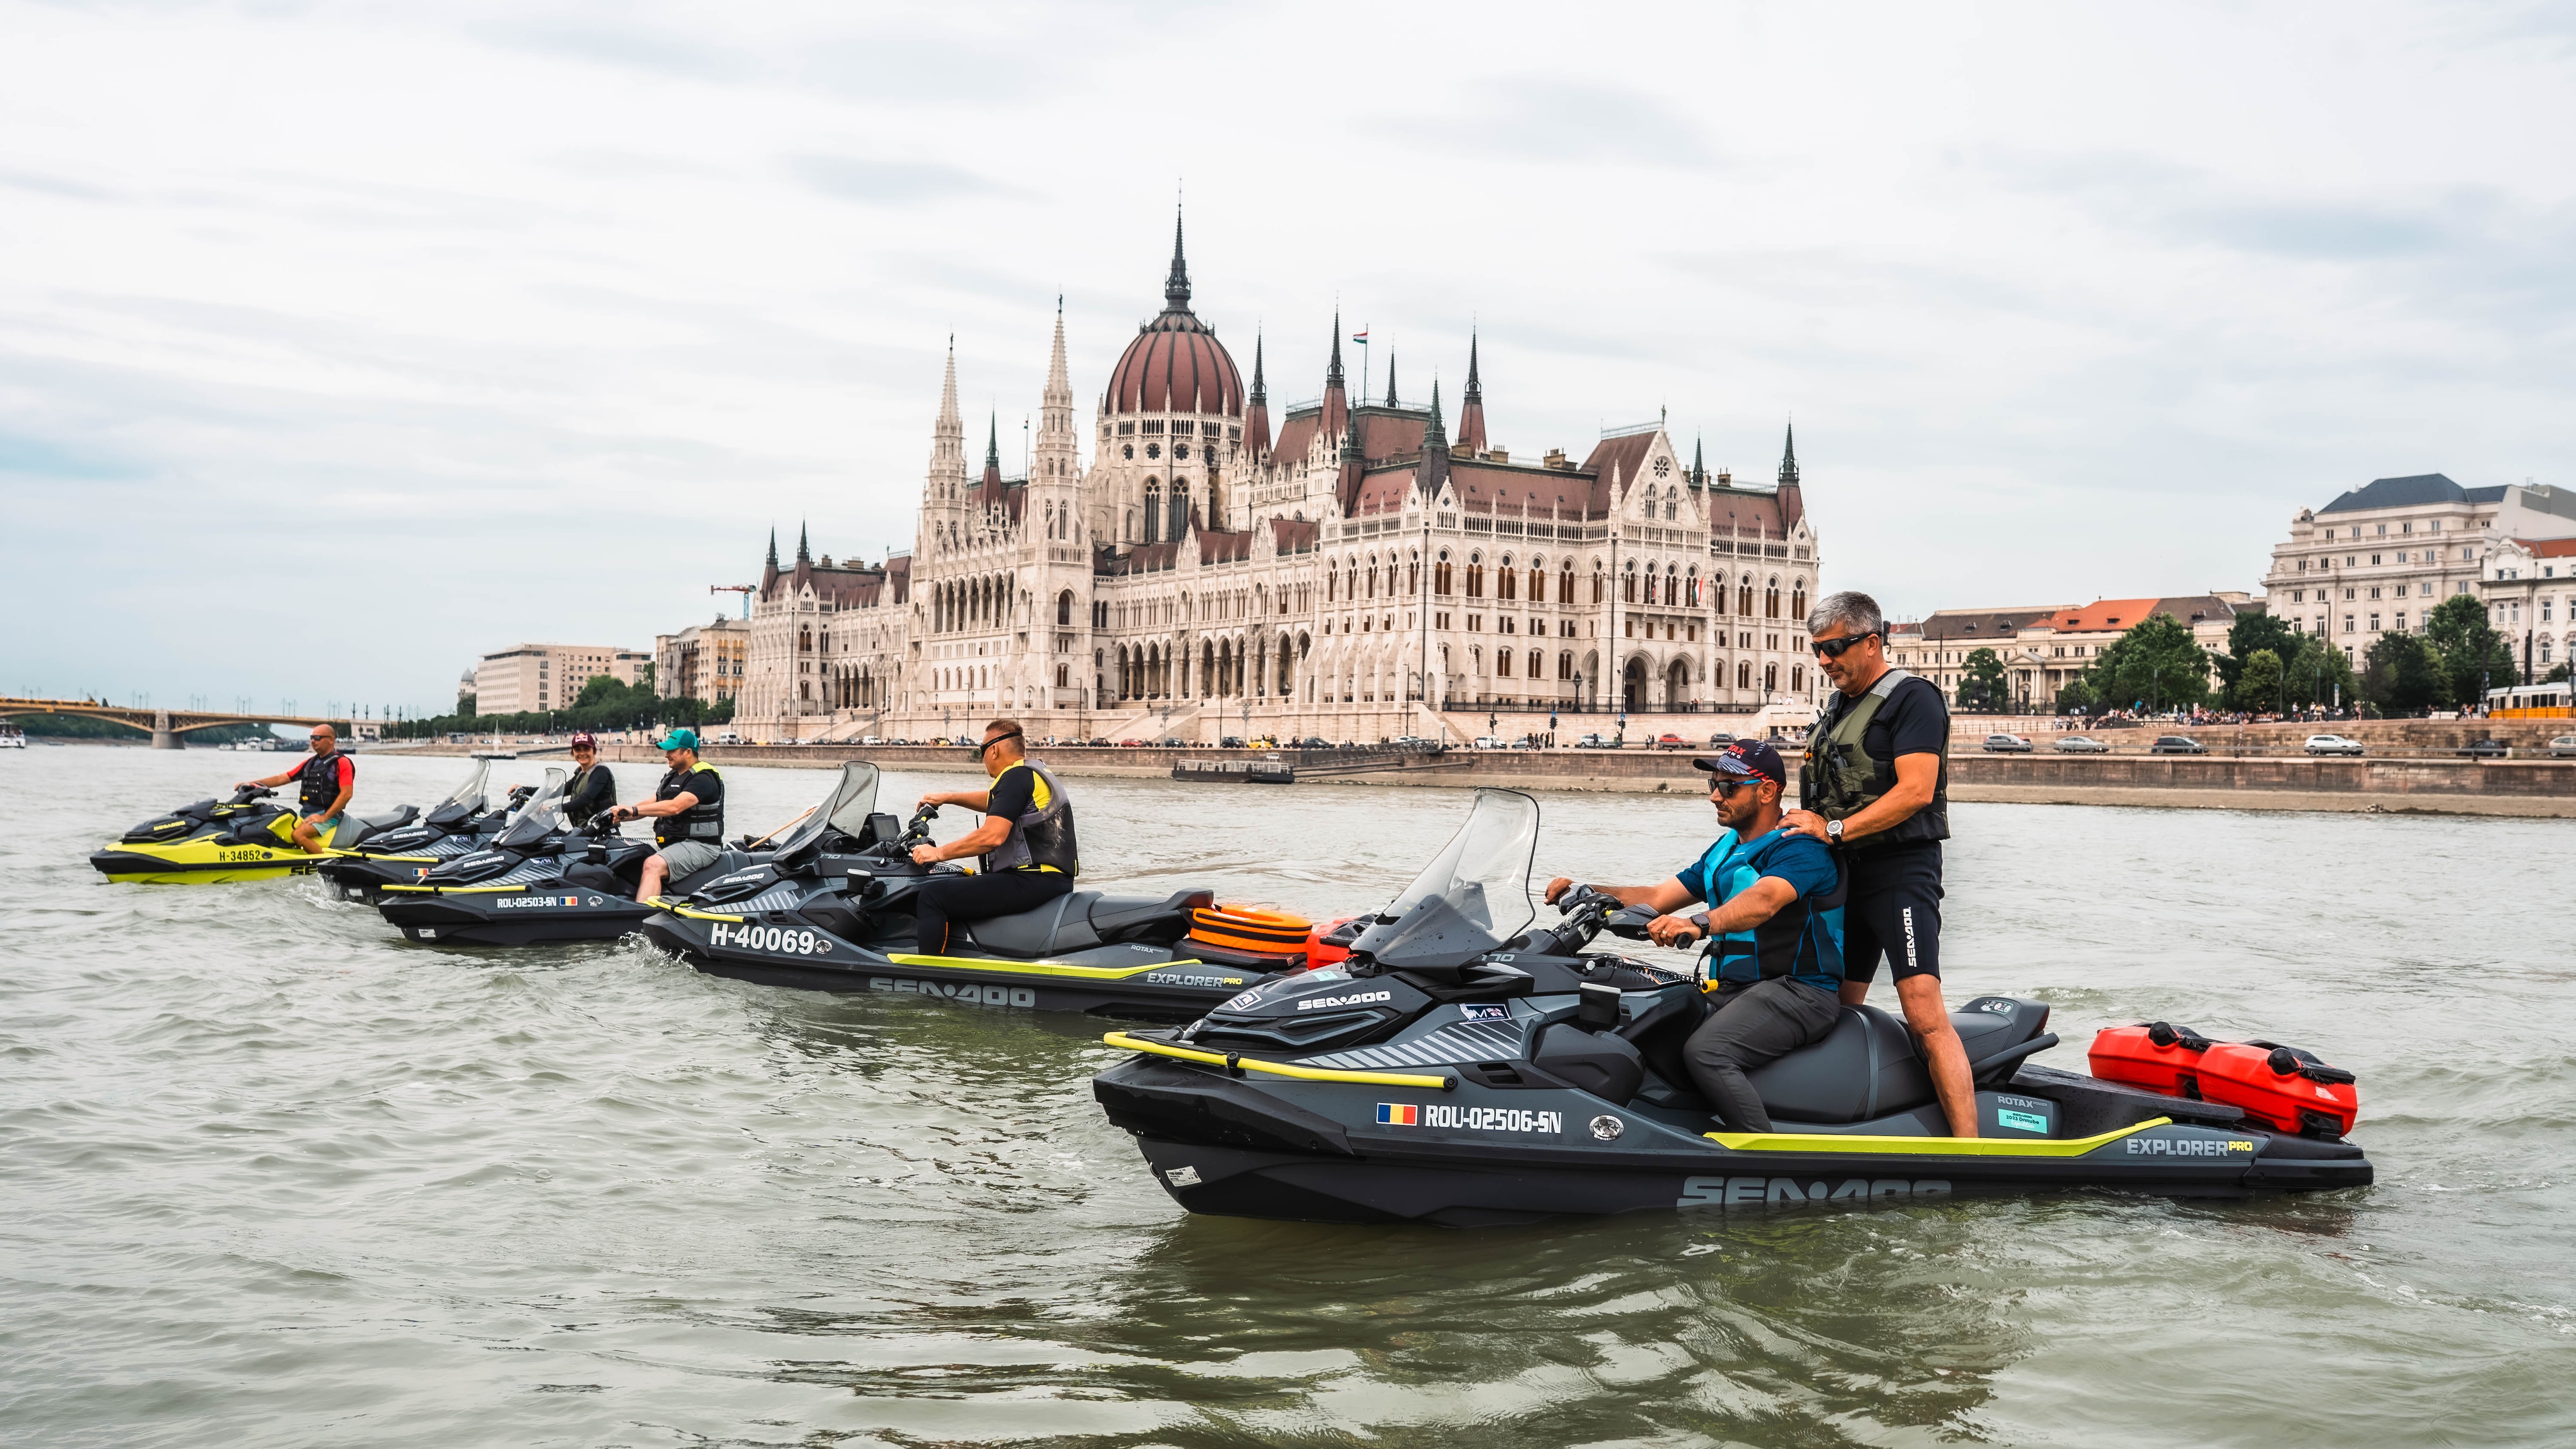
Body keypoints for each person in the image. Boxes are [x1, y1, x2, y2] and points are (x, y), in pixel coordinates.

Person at [1543, 741, 1843, 1132]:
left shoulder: (1801, 847)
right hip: (1736, 987)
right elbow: (1657, 897)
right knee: (1645, 1022)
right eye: (1713, 784)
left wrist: (1697, 923)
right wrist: (1588, 890)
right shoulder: (1726, 849)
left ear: (1768, 791)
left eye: (1729, 787)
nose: (1715, 796)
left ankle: (1763, 1158)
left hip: (1800, 991)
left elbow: (1766, 899)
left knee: (1708, 1051)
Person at [1778, 590, 1978, 1137]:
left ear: (1871, 641)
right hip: (1845, 876)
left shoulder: (1912, 699)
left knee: (1921, 1009)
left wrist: (1834, 828)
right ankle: (1845, 1114)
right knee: (1836, 1005)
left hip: (1899, 874)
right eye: (1816, 649)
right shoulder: (1839, 705)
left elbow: (1915, 791)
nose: (1824, 661)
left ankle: (1973, 1150)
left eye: (1835, 647)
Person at [908, 719, 1079, 953]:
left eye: (982, 751)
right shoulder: (1034, 773)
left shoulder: (1014, 777)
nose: (983, 758)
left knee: (932, 896)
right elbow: (996, 801)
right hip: (1053, 880)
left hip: (1031, 881)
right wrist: (948, 797)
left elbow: (992, 837)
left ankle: (926, 977)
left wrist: (937, 853)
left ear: (995, 750)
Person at [605, 727, 723, 901]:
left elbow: (674, 807)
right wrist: (621, 814)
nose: (666, 755)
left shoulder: (704, 779)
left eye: (672, 751)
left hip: (701, 846)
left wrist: (635, 810)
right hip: (675, 844)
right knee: (629, 858)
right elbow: (654, 803)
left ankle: (644, 921)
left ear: (688, 752)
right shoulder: (674, 777)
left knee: (653, 865)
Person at [238, 725, 355, 853]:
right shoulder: (311, 763)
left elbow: (347, 794)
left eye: (317, 738)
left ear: (331, 740)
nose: (313, 741)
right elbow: (283, 778)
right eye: (311, 738)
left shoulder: (342, 763)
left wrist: (325, 817)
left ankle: (327, 867)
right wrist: (251, 784)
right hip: (306, 813)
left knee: (298, 835)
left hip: (329, 816)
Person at [561, 732, 616, 827]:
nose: (582, 753)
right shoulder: (580, 774)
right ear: (573, 752)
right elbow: (560, 790)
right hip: (584, 833)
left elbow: (585, 799)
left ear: (594, 751)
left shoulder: (601, 773)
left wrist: (556, 809)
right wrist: (527, 791)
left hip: (603, 835)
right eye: (578, 750)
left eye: (587, 749)